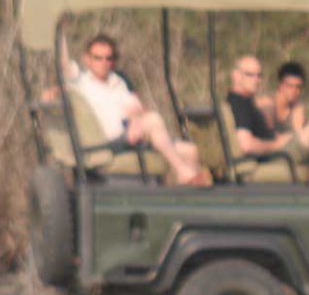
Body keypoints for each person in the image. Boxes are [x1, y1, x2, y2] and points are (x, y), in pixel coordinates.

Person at [62, 34, 208, 186]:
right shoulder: (80, 82)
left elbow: (134, 107)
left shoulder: (117, 82)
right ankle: (183, 172)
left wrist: (135, 122)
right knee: (153, 120)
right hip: (107, 142)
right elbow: (63, 62)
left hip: (130, 136)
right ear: (87, 59)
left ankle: (189, 200)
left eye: (109, 58)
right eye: (98, 58)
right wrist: (60, 28)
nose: (104, 62)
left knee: (191, 151)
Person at [225, 55, 309, 185]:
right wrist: (277, 143)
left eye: (259, 75)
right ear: (236, 76)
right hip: (274, 156)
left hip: (278, 150)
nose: (256, 80)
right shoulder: (239, 103)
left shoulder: (247, 101)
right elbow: (246, 145)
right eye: (250, 75)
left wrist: (281, 138)